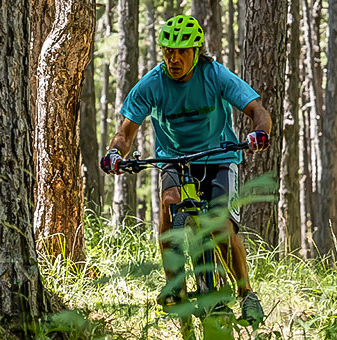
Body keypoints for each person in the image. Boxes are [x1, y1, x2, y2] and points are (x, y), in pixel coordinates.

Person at [100, 15, 270, 325]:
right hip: (175, 160)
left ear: (196, 51)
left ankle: (247, 293)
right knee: (168, 204)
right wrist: (114, 153)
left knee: (221, 227)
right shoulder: (152, 83)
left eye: (181, 52)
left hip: (219, 156)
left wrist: (259, 132)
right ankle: (174, 284)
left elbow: (257, 109)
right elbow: (126, 132)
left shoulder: (214, 75)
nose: (173, 59)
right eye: (167, 52)